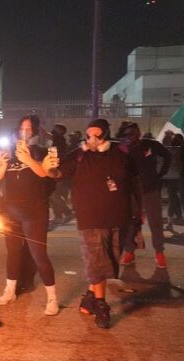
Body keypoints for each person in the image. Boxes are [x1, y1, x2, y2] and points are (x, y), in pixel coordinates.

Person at [45, 119, 141, 329]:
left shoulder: (122, 154)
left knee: (110, 263)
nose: (93, 139)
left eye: (97, 135)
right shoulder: (79, 155)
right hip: (91, 219)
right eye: (89, 135)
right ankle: (101, 305)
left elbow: (134, 185)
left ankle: (89, 298)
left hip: (118, 217)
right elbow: (58, 173)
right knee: (98, 264)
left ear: (107, 135)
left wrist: (138, 219)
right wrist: (49, 169)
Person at [0, 115, 59, 316]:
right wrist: (3, 163)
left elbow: (45, 173)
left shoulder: (41, 151)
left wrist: (28, 158)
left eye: (29, 128)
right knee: (13, 252)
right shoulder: (10, 153)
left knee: (39, 255)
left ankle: (52, 298)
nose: (25, 130)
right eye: (22, 127)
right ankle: (10, 290)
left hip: (35, 211)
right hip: (12, 211)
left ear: (35, 131)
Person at [117, 122, 170, 269]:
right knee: (130, 223)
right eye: (127, 134)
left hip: (150, 189)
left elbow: (167, 156)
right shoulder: (122, 148)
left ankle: (159, 252)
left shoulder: (151, 144)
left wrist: (161, 173)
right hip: (130, 191)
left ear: (139, 132)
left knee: (156, 222)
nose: (130, 136)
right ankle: (129, 251)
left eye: (133, 133)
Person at [163, 133, 184, 233]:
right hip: (183, 178)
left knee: (172, 201)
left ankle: (170, 224)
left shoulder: (170, 151)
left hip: (172, 178)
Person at [48, 123, 75, 225]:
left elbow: (47, 135)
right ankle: (58, 216)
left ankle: (67, 213)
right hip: (55, 169)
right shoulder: (58, 140)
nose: (53, 129)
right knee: (53, 194)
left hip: (58, 170)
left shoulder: (59, 139)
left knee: (54, 194)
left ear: (60, 131)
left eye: (56, 128)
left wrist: (40, 126)